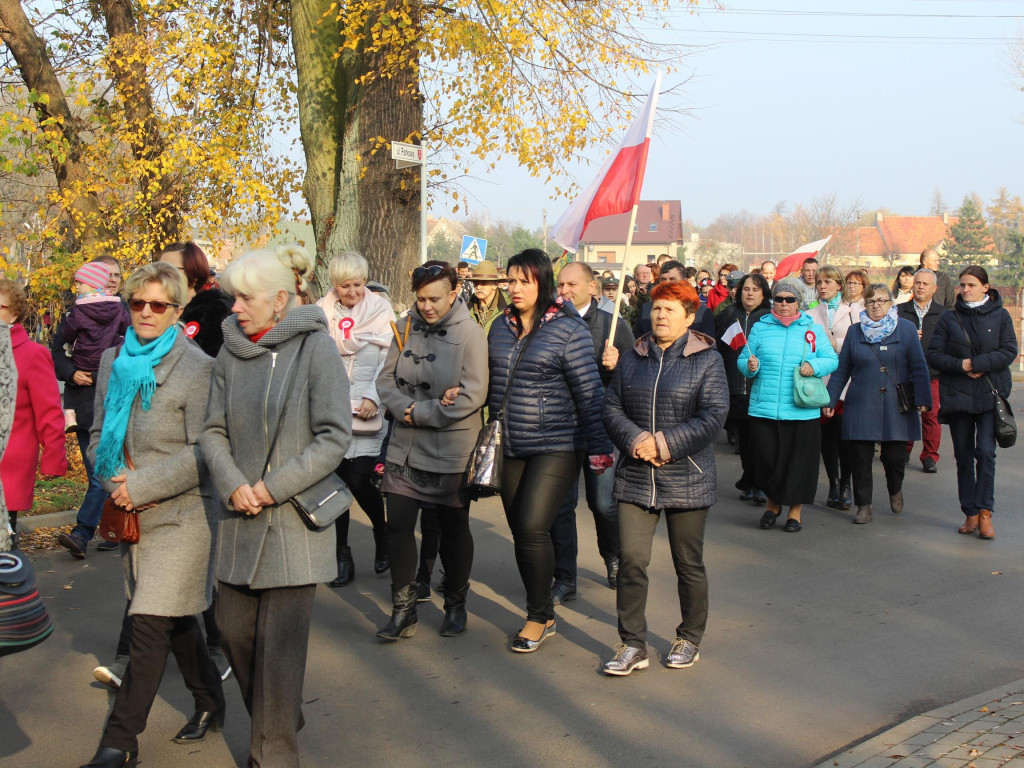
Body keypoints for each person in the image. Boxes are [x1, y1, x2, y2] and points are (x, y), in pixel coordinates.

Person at [200, 245, 350, 767]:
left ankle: (273, 752)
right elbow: (212, 430)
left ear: (280, 301)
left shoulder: (317, 349)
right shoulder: (229, 352)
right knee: (232, 630)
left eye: (245, 298)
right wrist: (233, 483)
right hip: (239, 517)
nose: (234, 308)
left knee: (281, 654)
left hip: (293, 522)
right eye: (232, 297)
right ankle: (280, 717)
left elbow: (334, 437)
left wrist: (271, 487)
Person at [79, 262, 224, 768]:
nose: (144, 312)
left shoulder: (199, 368)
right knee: (175, 618)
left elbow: (207, 452)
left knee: (147, 623)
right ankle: (210, 699)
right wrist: (111, 479)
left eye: (157, 305)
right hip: (133, 518)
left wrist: (138, 485)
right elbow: (98, 436)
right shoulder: (113, 360)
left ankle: (119, 743)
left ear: (177, 311)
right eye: (137, 302)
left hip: (184, 517)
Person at [488, 248, 614, 653]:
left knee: (531, 525)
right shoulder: (499, 328)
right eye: (511, 280)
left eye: (524, 281)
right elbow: (486, 380)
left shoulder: (568, 329)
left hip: (558, 444)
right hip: (511, 442)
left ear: (542, 282)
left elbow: (590, 393)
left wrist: (598, 449)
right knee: (521, 530)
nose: (516, 288)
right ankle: (544, 610)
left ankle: (537, 617)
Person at [601, 280, 728, 675]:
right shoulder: (632, 356)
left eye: (670, 309)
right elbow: (611, 407)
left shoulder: (708, 360)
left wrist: (664, 443)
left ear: (690, 318)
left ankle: (689, 637)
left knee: (687, 563)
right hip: (636, 474)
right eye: (657, 308)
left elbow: (713, 416)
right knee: (632, 562)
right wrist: (637, 439)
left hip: (686, 475)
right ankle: (631, 644)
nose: (660, 315)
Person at [374, 261, 488, 639]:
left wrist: (420, 411)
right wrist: (402, 409)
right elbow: (385, 378)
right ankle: (403, 608)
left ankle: (456, 604)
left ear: (454, 294)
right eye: (421, 298)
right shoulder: (405, 326)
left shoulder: (471, 333)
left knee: (454, 528)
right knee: (398, 525)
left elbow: (473, 394)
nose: (426, 306)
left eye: (435, 298)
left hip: (450, 446)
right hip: (404, 446)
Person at [549, 262, 634, 603]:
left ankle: (613, 557)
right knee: (561, 506)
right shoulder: (550, 324)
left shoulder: (613, 326)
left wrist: (617, 367)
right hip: (559, 430)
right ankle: (565, 576)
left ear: (592, 287)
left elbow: (635, 380)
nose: (564, 290)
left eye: (572, 284)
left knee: (603, 504)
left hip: (601, 430)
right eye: (560, 284)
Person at [315, 251, 392, 587]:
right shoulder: (321, 312)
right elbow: (313, 358)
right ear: (335, 284)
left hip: (367, 410)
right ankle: (341, 554)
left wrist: (373, 398)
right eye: (344, 286)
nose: (352, 292)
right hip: (332, 410)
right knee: (336, 485)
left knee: (360, 481)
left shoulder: (381, 311)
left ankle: (382, 533)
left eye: (358, 284)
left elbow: (390, 360)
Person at [825, 284, 932, 524]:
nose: (876, 306)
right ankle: (864, 505)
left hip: (896, 404)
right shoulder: (855, 332)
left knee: (894, 458)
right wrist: (830, 399)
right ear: (865, 304)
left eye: (882, 301)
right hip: (861, 402)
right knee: (860, 458)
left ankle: (895, 489)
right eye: (871, 301)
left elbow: (919, 367)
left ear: (891, 304)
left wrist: (924, 400)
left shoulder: (905, 329)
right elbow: (842, 369)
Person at [738, 278, 838, 533]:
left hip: (801, 410)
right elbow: (744, 358)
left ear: (799, 303)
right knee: (768, 461)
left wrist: (814, 366)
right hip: (765, 408)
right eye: (779, 299)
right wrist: (750, 367)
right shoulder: (761, 328)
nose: (783, 304)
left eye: (789, 299)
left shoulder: (812, 329)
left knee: (798, 464)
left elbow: (831, 359)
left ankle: (795, 513)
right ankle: (773, 506)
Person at [927, 266, 1017, 540]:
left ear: (985, 287)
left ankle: (985, 512)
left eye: (971, 285)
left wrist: (977, 363)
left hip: (990, 395)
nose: (965, 290)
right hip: (958, 396)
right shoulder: (949, 318)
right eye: (962, 285)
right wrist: (961, 365)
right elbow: (934, 355)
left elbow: (1009, 350)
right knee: (963, 456)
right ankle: (970, 513)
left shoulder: (1001, 316)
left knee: (987, 454)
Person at [54, 259, 130, 560]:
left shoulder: (125, 312)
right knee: (97, 471)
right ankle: (110, 528)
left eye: (116, 276)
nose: (111, 280)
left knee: (102, 471)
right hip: (84, 402)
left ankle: (83, 532)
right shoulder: (79, 311)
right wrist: (71, 372)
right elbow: (57, 348)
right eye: (107, 275)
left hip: (115, 400)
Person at [0, 280, 67, 536]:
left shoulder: (32, 354)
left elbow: (49, 413)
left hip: (8, 465)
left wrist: (53, 459)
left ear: (14, 314)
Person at [715, 273, 771, 505]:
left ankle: (759, 483)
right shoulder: (728, 316)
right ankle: (749, 481)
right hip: (736, 387)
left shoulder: (770, 318)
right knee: (745, 442)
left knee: (762, 441)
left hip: (762, 388)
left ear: (764, 293)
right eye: (746, 289)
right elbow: (718, 349)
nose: (749, 293)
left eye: (755, 290)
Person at [808, 265, 860, 510]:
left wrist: (836, 342)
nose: (822, 286)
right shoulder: (810, 313)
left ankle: (847, 484)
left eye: (828, 282)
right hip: (820, 384)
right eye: (819, 282)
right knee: (827, 440)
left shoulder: (853, 311)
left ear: (839, 285)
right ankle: (833, 483)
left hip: (847, 384)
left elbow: (860, 343)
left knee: (845, 438)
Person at [897, 269, 946, 473]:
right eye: (917, 283)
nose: (920, 287)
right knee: (905, 413)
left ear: (934, 288)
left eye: (925, 284)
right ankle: (904, 451)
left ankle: (929, 456)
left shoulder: (945, 314)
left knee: (931, 416)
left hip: (932, 373)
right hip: (905, 373)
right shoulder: (899, 311)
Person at [157, 242, 234, 358]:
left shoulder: (216, 314)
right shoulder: (153, 310)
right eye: (159, 270)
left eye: (170, 270)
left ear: (194, 274)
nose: (162, 277)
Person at [467, 259, 507, 333]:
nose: (478, 287)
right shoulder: (467, 308)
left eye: (483, 283)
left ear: (495, 285)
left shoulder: (508, 308)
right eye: (476, 283)